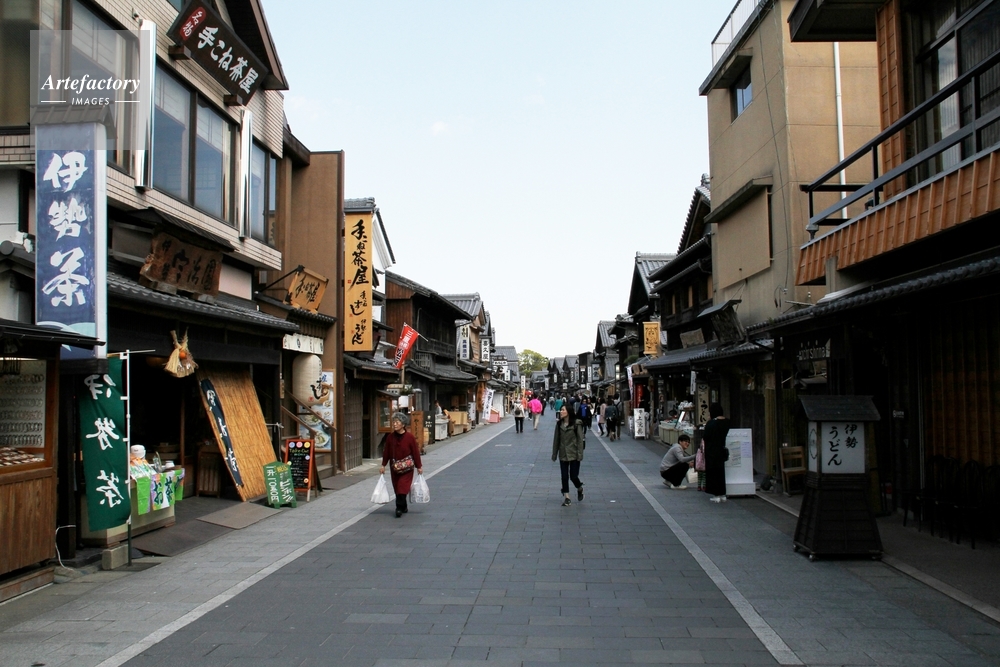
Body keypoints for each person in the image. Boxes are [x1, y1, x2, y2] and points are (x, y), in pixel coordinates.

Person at [379, 412, 423, 518]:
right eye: (393, 422)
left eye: (397, 422)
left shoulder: (410, 437)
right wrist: (383, 465)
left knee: (402, 486)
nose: (394, 424)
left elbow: (415, 452)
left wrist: (419, 466)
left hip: (407, 467)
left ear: (403, 424)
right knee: (397, 487)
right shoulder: (390, 437)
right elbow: (386, 452)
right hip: (395, 467)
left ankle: (398, 508)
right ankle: (404, 506)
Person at [552, 404, 585, 506]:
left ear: (568, 411)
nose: (561, 412)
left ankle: (579, 487)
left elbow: (580, 440)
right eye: (561, 410)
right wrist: (554, 454)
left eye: (563, 410)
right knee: (564, 476)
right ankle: (567, 497)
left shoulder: (576, 424)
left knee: (573, 476)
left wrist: (580, 454)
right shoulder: (559, 424)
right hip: (563, 453)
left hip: (574, 453)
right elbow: (556, 440)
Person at [703, 402, 731, 503]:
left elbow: (705, 436)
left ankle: (716, 494)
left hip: (712, 451)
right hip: (722, 450)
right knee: (721, 472)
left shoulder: (711, 423)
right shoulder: (728, 422)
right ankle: (722, 493)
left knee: (713, 473)